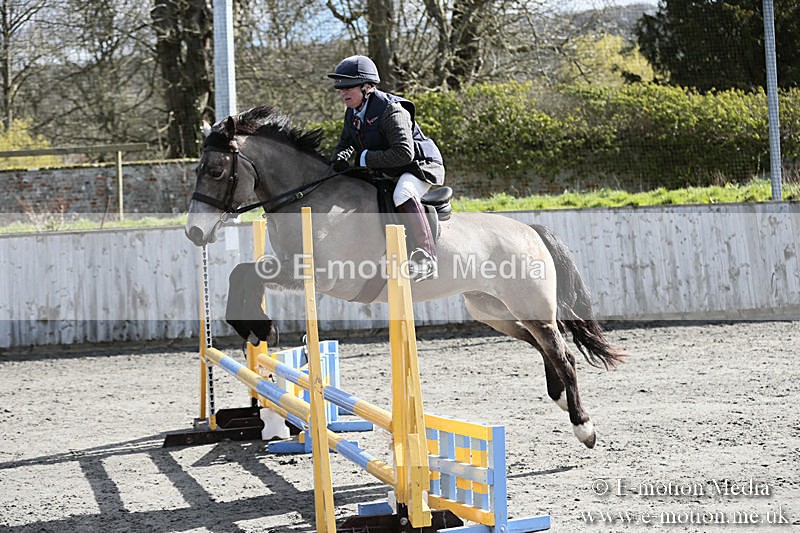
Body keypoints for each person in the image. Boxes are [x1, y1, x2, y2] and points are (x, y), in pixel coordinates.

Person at [327, 55, 445, 282]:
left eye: (348, 87)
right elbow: (345, 144)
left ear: (367, 87)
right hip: (390, 169)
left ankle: (427, 257)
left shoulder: (391, 110)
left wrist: (363, 158)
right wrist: (339, 159)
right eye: (340, 88)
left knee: (403, 194)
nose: (343, 92)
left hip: (419, 166)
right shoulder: (352, 113)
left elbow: (404, 153)